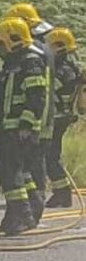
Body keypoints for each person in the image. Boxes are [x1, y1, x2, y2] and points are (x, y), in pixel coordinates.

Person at [0, 17, 47, 235]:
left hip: (20, 130)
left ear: (14, 40)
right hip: (7, 130)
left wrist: (26, 125)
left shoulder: (30, 62)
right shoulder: (13, 62)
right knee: (15, 172)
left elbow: (36, 97)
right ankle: (15, 216)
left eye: (1, 42)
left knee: (12, 174)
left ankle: (23, 216)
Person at [0, 3, 55, 222]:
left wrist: (28, 123)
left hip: (33, 123)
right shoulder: (39, 51)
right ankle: (25, 214)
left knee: (28, 167)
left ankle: (29, 213)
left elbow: (37, 95)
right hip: (37, 121)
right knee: (25, 168)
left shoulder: (32, 57)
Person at [44, 28, 82, 208]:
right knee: (50, 155)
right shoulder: (62, 67)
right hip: (56, 118)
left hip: (59, 119)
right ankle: (61, 192)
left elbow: (50, 89)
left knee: (50, 156)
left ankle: (63, 193)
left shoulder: (65, 70)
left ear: (59, 47)